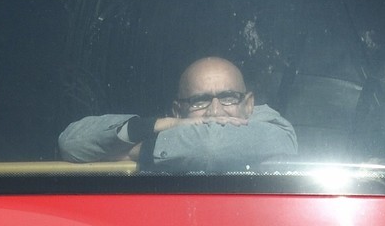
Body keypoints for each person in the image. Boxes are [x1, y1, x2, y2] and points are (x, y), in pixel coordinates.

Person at [59, 55, 298, 173]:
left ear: (248, 104)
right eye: (199, 101)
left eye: (227, 97)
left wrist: (133, 151)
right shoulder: (172, 124)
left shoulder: (275, 128)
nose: (214, 112)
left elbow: (209, 145)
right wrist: (165, 124)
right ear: (177, 109)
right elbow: (71, 142)